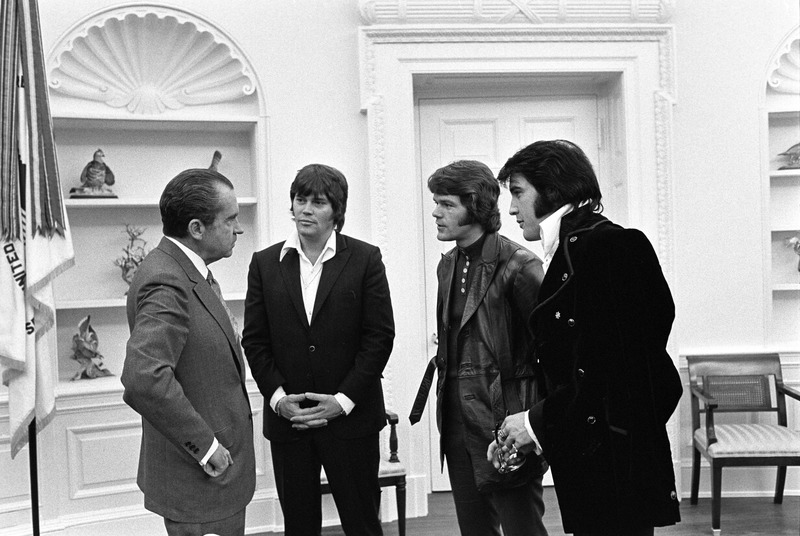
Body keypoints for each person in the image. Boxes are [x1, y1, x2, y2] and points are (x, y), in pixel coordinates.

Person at [487, 140, 682, 536]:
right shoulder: (570, 251)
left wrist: (537, 422)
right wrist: (532, 429)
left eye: (519, 192)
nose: (510, 208)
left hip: (616, 466)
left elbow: (623, 372)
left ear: (554, 190)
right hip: (592, 461)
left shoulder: (613, 246)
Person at [242, 164, 395, 536]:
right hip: (288, 422)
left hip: (351, 421)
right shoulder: (264, 263)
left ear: (336, 211)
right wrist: (279, 399)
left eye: (318, 201)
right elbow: (254, 340)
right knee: (299, 527)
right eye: (300, 199)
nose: (306, 209)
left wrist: (341, 401)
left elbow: (379, 338)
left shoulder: (365, 259)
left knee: (362, 525)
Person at [409, 160, 548, 536]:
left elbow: (551, 353)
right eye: (435, 202)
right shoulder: (447, 265)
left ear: (476, 205)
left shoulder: (520, 266)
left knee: (524, 531)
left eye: (447, 204)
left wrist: (535, 423)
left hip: (505, 420)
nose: (436, 213)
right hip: (455, 420)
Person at [121, 168, 255, 536]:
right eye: (231, 220)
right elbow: (143, 377)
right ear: (197, 228)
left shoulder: (186, 270)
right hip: (199, 478)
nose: (238, 230)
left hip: (213, 482)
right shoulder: (167, 279)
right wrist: (208, 447)